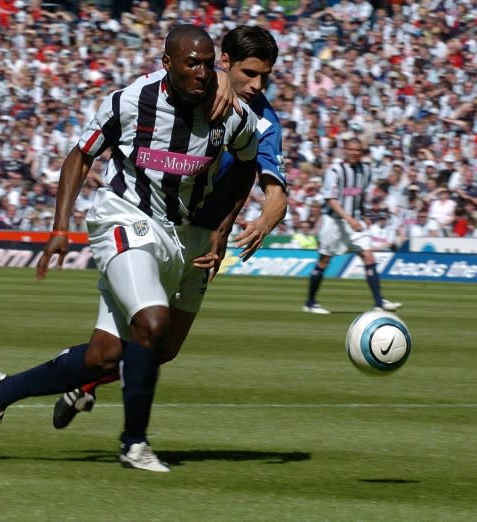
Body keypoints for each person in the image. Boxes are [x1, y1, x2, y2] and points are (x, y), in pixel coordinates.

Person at [0, 25, 260, 473]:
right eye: (191, 63)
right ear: (168, 64)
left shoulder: (232, 116)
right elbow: (80, 155)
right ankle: (134, 444)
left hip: (188, 237)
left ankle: (0, 391)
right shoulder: (130, 101)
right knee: (152, 322)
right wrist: (60, 227)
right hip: (125, 219)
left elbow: (245, 165)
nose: (201, 73)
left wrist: (223, 228)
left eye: (207, 63)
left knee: (114, 355)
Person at [50, 25, 287, 432]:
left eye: (265, 76)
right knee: (149, 329)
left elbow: (275, 191)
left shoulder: (260, 121)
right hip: (149, 222)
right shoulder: (177, 88)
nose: (257, 85)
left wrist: (260, 222)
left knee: (163, 349)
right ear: (224, 63)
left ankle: (82, 380)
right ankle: (127, 433)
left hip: (201, 237)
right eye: (249, 74)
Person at [303, 137, 401, 314]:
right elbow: (330, 200)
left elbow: (361, 195)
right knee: (324, 260)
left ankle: (379, 302)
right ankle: (310, 302)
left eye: (357, 150)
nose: (354, 153)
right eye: (351, 150)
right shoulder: (335, 170)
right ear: (345, 150)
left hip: (353, 221)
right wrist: (349, 219)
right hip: (334, 222)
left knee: (368, 256)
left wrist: (363, 214)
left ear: (361, 152)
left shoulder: (366, 170)